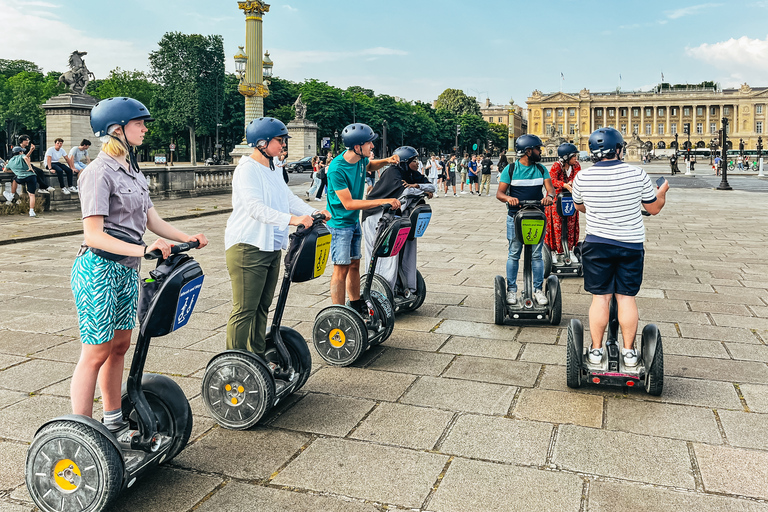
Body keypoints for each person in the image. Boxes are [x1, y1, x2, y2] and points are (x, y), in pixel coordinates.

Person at [69, 96, 208, 431]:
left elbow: (152, 220)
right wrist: (145, 249)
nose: (145, 129)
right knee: (96, 351)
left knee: (120, 346)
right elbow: (93, 235)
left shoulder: (132, 171)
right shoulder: (97, 173)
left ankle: (113, 420)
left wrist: (186, 238)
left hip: (126, 270)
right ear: (117, 129)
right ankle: (82, 431)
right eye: (139, 123)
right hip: (98, 270)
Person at [225, 117, 329, 361]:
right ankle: (235, 363)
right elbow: (255, 208)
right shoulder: (247, 169)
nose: (284, 145)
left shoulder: (273, 168)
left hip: (270, 246)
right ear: (261, 142)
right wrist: (293, 221)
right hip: (247, 246)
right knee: (244, 309)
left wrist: (313, 213)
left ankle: (256, 357)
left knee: (262, 307)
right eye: (280, 140)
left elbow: (288, 199)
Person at [572, 127, 668, 367]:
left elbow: (580, 207)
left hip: (597, 244)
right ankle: (628, 352)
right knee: (626, 298)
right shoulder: (637, 174)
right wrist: (662, 193)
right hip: (630, 244)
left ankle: (595, 350)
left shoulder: (582, 177)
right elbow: (653, 208)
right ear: (618, 149)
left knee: (600, 298)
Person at [326, 122, 400, 312]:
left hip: (353, 222)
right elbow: (349, 203)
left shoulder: (359, 159)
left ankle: (356, 303)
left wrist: (387, 161)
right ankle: (338, 312)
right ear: (358, 147)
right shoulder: (337, 169)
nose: (372, 146)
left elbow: (371, 164)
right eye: (369, 143)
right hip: (340, 224)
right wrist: (383, 201)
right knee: (340, 269)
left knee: (354, 265)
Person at [361, 146, 435, 291]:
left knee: (399, 251)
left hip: (394, 216)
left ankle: (400, 286)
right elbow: (405, 191)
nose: (418, 163)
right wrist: (421, 189)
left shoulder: (412, 174)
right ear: (405, 162)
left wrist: (418, 185)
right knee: (384, 253)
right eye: (414, 160)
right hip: (376, 216)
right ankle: (379, 289)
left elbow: (432, 187)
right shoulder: (392, 172)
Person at [495, 134, 555, 306]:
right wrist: (509, 199)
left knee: (537, 255)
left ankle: (537, 290)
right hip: (515, 217)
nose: (540, 151)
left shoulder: (541, 169)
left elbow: (550, 190)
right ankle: (511, 290)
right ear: (528, 151)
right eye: (538, 148)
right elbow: (500, 193)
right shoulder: (511, 169)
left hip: (536, 216)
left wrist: (549, 197)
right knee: (514, 253)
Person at [544, 143, 581, 264]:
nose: (576, 158)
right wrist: (564, 184)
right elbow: (551, 180)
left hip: (570, 200)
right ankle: (554, 251)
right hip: (556, 201)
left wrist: (572, 182)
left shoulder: (576, 166)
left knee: (571, 225)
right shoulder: (556, 166)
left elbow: (578, 177)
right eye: (573, 156)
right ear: (566, 157)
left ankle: (569, 250)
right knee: (556, 226)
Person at [3, 146, 40, 216]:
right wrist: (30, 167)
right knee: (31, 195)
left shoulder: (10, 161)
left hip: (20, 177)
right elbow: (26, 157)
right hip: (31, 176)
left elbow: (5, 170)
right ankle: (31, 211)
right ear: (20, 152)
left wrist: (15, 170)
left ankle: (12, 194)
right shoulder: (21, 156)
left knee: (15, 180)